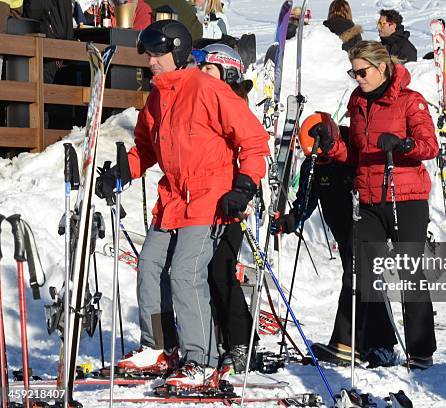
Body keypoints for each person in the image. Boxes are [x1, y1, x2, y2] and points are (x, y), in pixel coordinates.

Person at [95, 19, 269, 391]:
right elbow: (145, 148)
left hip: (210, 197)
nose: (152, 62)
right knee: (150, 268)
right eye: (149, 55)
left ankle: (201, 359)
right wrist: (120, 174)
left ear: (177, 52)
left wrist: (244, 185)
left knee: (186, 274)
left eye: (159, 54)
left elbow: (253, 140)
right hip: (173, 198)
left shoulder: (208, 89)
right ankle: (160, 346)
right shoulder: (158, 97)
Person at [310, 40, 438, 369]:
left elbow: (429, 146)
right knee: (360, 269)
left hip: (405, 198)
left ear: (381, 68)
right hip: (368, 198)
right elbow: (355, 154)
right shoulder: (357, 101)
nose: (358, 78)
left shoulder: (410, 102)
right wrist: (334, 147)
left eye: (362, 71)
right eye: (353, 72)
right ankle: (346, 343)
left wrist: (402, 145)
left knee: (409, 271)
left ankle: (421, 351)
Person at [192, 42, 257, 375]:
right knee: (201, 274)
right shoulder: (202, 102)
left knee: (221, 271)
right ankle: (214, 341)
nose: (201, 75)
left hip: (230, 202)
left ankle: (242, 342)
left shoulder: (232, 104)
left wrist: (243, 190)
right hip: (202, 202)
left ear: (228, 73)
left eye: (209, 69)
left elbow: (254, 148)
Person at [270, 122, 358, 365]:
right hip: (341, 231)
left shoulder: (351, 152)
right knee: (360, 281)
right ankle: (377, 344)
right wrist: (289, 221)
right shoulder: (314, 165)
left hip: (363, 225)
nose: (319, 162)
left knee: (356, 278)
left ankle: (347, 343)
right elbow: (305, 201)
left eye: (322, 157)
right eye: (315, 158)